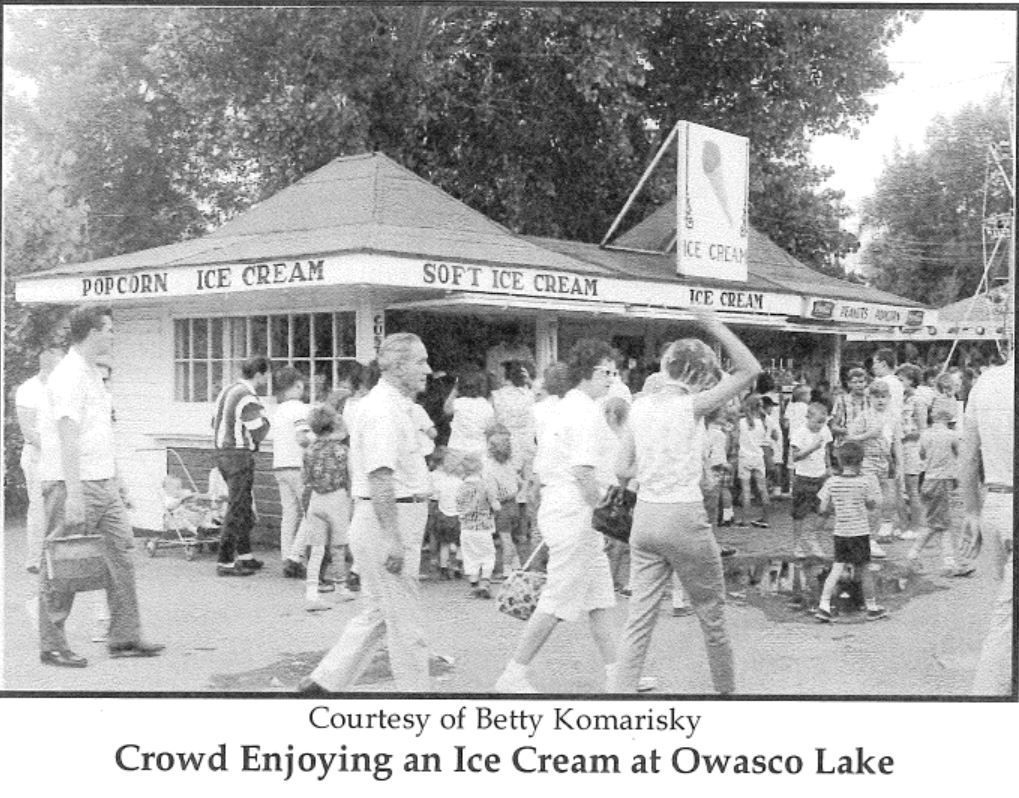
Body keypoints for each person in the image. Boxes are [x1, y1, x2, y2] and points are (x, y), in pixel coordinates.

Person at [611, 314, 761, 694]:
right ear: (698, 375)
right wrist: (715, 326)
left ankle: (618, 695)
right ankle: (726, 695)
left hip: (645, 517)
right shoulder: (691, 407)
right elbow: (749, 369)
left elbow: (621, 468)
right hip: (684, 515)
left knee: (639, 619)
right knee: (712, 616)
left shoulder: (639, 408)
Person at [299, 332, 434, 693]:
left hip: (391, 517)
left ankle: (322, 685)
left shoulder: (395, 406)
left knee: (377, 613)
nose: (428, 369)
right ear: (398, 366)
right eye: (420, 362)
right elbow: (380, 477)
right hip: (387, 520)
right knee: (406, 624)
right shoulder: (382, 411)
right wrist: (393, 539)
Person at [37, 304, 163, 667]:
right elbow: (67, 436)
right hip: (72, 484)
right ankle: (52, 644)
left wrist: (116, 478)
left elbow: (100, 432)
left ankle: (124, 636)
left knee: (121, 555)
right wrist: (74, 495)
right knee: (62, 563)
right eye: (108, 329)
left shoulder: (93, 373)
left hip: (103, 482)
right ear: (92, 332)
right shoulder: (68, 375)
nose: (112, 335)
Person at [494, 339, 621, 693]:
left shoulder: (565, 407)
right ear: (588, 372)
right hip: (576, 510)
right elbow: (583, 471)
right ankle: (513, 674)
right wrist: (605, 515)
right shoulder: (584, 412)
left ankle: (618, 673)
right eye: (606, 372)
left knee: (599, 599)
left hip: (567, 508)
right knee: (557, 597)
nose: (612, 379)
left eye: (614, 372)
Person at [958, 353, 1013, 695]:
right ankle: (987, 698)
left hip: (995, 502)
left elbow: (967, 456)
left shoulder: (987, 382)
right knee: (1005, 619)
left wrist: (972, 511)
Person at [814, 441, 888, 623]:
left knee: (837, 567)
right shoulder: (864, 483)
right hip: (860, 532)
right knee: (864, 570)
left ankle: (824, 605)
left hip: (841, 532)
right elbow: (872, 505)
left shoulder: (831, 482)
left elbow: (823, 508)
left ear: (839, 460)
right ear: (861, 461)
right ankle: (871, 607)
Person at [211, 355, 271, 576]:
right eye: (266, 374)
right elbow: (259, 430)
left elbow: (213, 422)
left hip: (222, 452)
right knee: (237, 506)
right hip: (238, 454)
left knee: (243, 504)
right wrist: (266, 419)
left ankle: (245, 555)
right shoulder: (247, 396)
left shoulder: (227, 391)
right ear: (258, 374)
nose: (267, 379)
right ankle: (225, 561)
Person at [15, 341, 64, 575]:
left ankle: (61, 556)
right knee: (39, 507)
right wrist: (55, 449)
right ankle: (35, 558)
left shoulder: (63, 388)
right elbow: (29, 432)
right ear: (47, 365)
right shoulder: (28, 390)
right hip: (38, 456)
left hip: (62, 455)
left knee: (61, 506)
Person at [301, 403, 354, 611]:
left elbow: (304, 477)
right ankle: (340, 587)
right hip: (337, 498)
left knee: (316, 549)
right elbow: (351, 476)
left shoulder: (309, 450)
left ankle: (312, 593)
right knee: (338, 546)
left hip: (316, 499)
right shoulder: (342, 451)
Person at [272, 366, 311, 578]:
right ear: (297, 385)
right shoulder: (300, 409)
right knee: (311, 511)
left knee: (289, 514)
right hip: (298, 465)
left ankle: (286, 556)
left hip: (280, 465)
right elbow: (302, 437)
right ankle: (296, 556)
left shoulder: (278, 410)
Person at [789, 403, 833, 558]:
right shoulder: (799, 433)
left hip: (820, 477)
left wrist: (829, 467)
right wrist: (812, 448)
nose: (820, 426)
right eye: (817, 422)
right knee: (799, 513)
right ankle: (797, 544)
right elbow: (795, 456)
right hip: (803, 477)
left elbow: (826, 449)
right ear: (808, 418)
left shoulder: (825, 430)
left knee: (824, 510)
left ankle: (813, 537)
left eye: (823, 422)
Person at [457, 452, 500, 598]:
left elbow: (459, 507)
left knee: (470, 558)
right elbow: (496, 506)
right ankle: (485, 583)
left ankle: (474, 586)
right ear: (480, 467)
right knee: (488, 556)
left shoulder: (460, 487)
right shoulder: (485, 486)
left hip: (466, 529)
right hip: (483, 528)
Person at [484, 424, 524, 576]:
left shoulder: (490, 468)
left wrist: (494, 502)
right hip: (513, 503)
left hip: (502, 506)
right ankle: (516, 563)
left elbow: (491, 492)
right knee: (510, 537)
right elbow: (520, 483)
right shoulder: (509, 465)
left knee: (504, 538)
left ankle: (507, 568)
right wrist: (513, 493)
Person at [896, 364, 927, 540]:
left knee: (912, 488)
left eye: (902, 380)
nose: (899, 383)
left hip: (911, 447)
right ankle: (903, 524)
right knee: (899, 487)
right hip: (899, 446)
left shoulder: (918, 400)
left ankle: (916, 527)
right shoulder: (898, 399)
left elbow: (923, 429)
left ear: (912, 381)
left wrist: (907, 435)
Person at [736, 393, 771, 528]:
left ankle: (745, 520)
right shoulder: (762, 423)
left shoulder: (742, 422)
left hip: (744, 457)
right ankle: (766, 518)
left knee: (746, 490)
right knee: (763, 489)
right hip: (758, 457)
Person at [427, 448, 463, 580]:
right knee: (460, 543)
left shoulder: (442, 482)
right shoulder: (461, 483)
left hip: (443, 516)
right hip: (458, 516)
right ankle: (458, 565)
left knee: (444, 544)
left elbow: (435, 496)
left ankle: (443, 567)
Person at [444, 366, 495, 457]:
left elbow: (446, 409)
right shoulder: (486, 406)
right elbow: (490, 430)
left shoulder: (459, 403)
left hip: (457, 449)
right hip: (478, 450)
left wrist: (455, 388)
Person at [871, 348, 903, 422]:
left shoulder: (882, 383)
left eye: (875, 363)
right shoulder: (897, 382)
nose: (873, 367)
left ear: (883, 364)